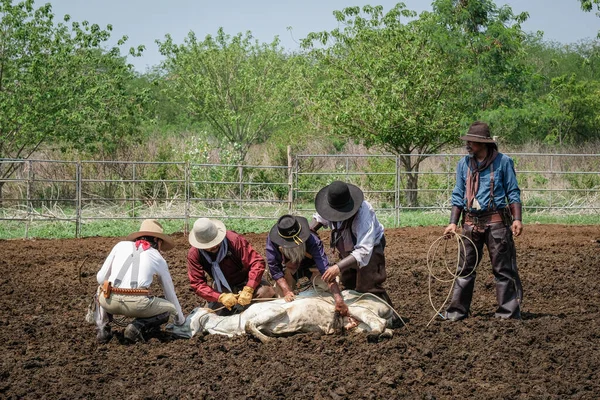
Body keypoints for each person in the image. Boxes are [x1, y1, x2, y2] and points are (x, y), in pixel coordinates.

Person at [443, 121, 523, 320]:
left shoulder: (504, 162)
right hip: (470, 222)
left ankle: (508, 312)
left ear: (484, 143)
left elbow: (512, 191)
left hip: (497, 222)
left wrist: (517, 219)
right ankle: (456, 312)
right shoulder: (463, 164)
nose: (468, 144)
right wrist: (453, 221)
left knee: (503, 269)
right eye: (468, 141)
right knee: (464, 269)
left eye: (473, 141)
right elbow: (458, 194)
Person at [95, 219, 185, 343]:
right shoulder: (158, 258)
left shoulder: (120, 245)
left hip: (108, 302)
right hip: (137, 304)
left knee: (102, 287)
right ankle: (136, 326)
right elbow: (169, 293)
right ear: (156, 240)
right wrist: (180, 320)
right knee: (169, 308)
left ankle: (102, 327)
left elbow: (100, 278)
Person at [310, 180, 392, 305]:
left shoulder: (363, 212)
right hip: (346, 246)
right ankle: (354, 313)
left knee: (369, 286)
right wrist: (310, 231)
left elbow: (364, 249)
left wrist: (337, 267)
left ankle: (390, 315)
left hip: (370, 248)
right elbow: (318, 219)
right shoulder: (330, 206)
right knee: (348, 282)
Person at [187, 217, 275, 315]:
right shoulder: (194, 254)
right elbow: (197, 284)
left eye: (215, 242)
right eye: (208, 246)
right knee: (211, 315)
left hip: (245, 280)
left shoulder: (234, 240)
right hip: (221, 287)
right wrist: (219, 297)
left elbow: (256, 262)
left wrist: (249, 288)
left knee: (266, 292)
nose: (213, 246)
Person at [266, 214, 349, 316]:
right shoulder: (273, 240)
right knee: (281, 299)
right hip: (289, 268)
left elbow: (324, 269)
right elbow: (274, 267)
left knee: (330, 291)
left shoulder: (312, 239)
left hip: (312, 268)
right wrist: (286, 290)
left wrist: (339, 300)